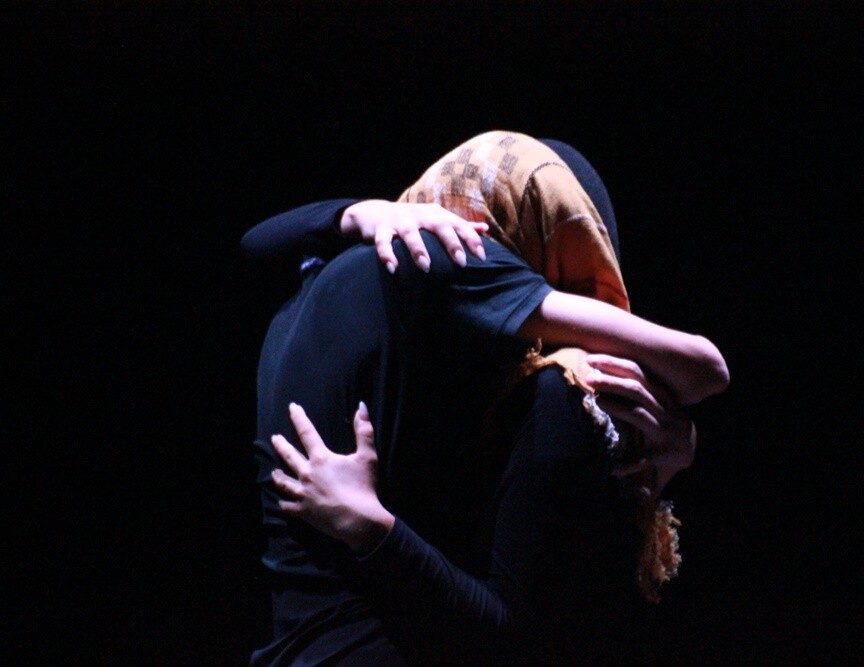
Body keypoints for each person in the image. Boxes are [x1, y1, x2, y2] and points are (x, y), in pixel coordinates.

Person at [244, 131, 728, 664]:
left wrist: (357, 212)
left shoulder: (314, 289)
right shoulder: (455, 259)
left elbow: (254, 241)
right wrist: (375, 530)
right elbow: (705, 368)